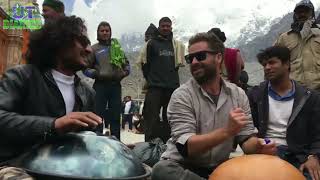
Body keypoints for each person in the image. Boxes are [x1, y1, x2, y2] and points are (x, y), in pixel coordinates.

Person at [151, 32, 276, 180]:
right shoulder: (182, 96)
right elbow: (187, 148)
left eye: (201, 56)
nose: (195, 62)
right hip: (183, 165)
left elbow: (246, 138)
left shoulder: (238, 95)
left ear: (218, 57)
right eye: (190, 58)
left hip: (219, 166)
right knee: (162, 171)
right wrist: (227, 131)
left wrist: (259, 145)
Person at [0, 16, 102, 179]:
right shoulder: (22, 76)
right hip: (17, 165)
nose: (89, 50)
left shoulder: (88, 93)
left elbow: (91, 138)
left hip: (66, 167)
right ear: (60, 42)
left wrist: (110, 146)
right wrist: (53, 125)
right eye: (82, 41)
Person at [248, 46, 320, 180]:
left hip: (298, 155)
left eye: (272, 62)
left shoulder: (310, 97)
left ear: (287, 64)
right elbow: (249, 130)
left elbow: (317, 133)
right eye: (264, 64)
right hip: (266, 151)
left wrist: (314, 156)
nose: (267, 67)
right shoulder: (256, 94)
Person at [139, 17, 185, 142]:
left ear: (171, 28)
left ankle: (168, 145)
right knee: (151, 117)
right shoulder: (152, 44)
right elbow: (145, 64)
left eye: (168, 26)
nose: (165, 28)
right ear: (159, 27)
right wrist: (152, 79)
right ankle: (150, 145)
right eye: (163, 26)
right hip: (155, 87)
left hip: (171, 87)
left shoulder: (175, 45)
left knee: (169, 117)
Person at [84, 21, 130, 140]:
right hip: (100, 86)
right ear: (98, 33)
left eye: (107, 30)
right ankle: (97, 143)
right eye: (102, 31)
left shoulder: (117, 48)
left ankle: (116, 144)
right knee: (97, 116)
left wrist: (124, 73)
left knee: (115, 116)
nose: (105, 33)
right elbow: (85, 68)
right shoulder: (93, 49)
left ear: (110, 32)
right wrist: (95, 74)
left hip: (115, 86)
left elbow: (127, 65)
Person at [274, 0, 320, 92]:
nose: (302, 14)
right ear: (295, 14)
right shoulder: (284, 38)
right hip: (294, 92)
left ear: (312, 13)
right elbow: (273, 61)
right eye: (299, 12)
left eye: (306, 11)